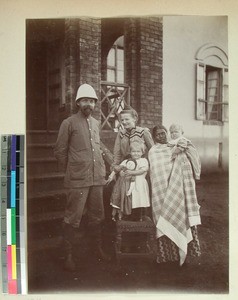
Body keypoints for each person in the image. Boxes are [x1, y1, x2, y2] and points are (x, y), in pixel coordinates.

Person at [54, 83, 110, 271]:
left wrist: (110, 163)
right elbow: (60, 151)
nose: (89, 104)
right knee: (73, 217)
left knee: (97, 215)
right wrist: (69, 172)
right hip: (78, 179)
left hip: (96, 178)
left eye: (92, 101)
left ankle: (96, 248)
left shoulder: (95, 123)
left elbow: (98, 147)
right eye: (85, 100)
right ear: (78, 103)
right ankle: (67, 254)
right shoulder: (68, 123)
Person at [148, 124, 201, 266]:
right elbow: (157, 172)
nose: (162, 136)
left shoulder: (173, 146)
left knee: (181, 218)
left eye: (164, 133)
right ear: (154, 137)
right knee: (163, 218)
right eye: (158, 134)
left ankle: (183, 254)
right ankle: (166, 257)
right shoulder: (153, 151)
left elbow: (186, 161)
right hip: (161, 192)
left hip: (177, 191)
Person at [107, 141, 150, 221]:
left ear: (142, 152)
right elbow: (120, 168)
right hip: (129, 184)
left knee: (139, 199)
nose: (136, 154)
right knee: (130, 200)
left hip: (140, 183)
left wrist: (132, 172)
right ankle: (129, 215)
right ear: (130, 152)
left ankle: (140, 216)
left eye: (138, 151)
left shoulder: (143, 161)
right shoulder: (127, 161)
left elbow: (143, 170)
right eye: (134, 151)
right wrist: (119, 173)